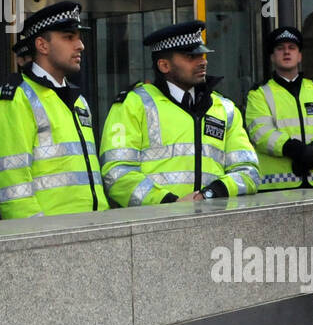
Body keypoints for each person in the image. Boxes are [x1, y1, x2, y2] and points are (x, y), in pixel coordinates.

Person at [100, 21, 258, 205]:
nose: (203, 61)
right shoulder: (133, 104)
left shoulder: (224, 107)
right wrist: (170, 203)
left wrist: (212, 193)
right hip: (156, 223)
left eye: (202, 54)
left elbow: (249, 171)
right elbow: (116, 173)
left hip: (214, 220)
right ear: (164, 65)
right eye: (191, 56)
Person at [0, 1, 108, 218]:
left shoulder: (78, 100)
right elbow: (12, 190)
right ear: (42, 45)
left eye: (79, 37)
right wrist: (42, 241)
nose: (80, 45)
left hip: (92, 230)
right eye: (69, 37)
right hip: (51, 238)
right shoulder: (13, 100)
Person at [245, 25, 313, 191]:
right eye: (280, 48)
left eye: (292, 48)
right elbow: (260, 133)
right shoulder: (259, 94)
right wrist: (295, 150)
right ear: (272, 57)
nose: (286, 52)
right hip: (278, 187)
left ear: (299, 56)